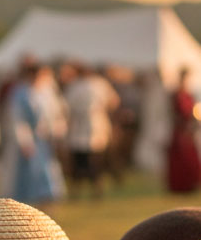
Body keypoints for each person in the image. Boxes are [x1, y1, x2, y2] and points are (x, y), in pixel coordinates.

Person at [6, 60, 65, 206]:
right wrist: (25, 141)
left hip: (45, 138)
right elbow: (18, 120)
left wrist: (56, 130)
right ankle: (28, 200)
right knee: (30, 171)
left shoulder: (47, 92)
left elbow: (57, 113)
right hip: (31, 139)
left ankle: (47, 198)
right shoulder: (21, 94)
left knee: (47, 169)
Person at [64, 62, 119, 198]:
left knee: (91, 159)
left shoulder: (80, 85)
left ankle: (93, 188)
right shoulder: (95, 84)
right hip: (88, 124)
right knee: (85, 159)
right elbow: (114, 102)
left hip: (91, 125)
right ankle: (84, 188)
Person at [166, 67, 201, 193]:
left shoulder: (189, 94)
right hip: (182, 129)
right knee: (183, 157)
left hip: (189, 129)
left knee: (191, 157)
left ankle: (192, 184)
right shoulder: (177, 94)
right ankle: (181, 185)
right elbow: (178, 112)